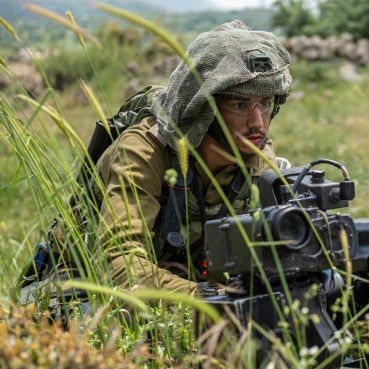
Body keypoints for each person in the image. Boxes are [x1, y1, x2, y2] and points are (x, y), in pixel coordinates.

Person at [18, 20, 293, 308]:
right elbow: (120, 267)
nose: (258, 123)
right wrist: (211, 301)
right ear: (203, 109)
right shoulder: (144, 151)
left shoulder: (258, 158)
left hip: (182, 286)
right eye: (240, 105)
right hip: (79, 285)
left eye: (265, 103)